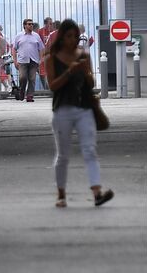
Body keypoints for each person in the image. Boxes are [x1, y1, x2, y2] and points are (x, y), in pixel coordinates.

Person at [44, 19, 112, 208]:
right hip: (62, 108)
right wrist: (69, 72)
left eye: (76, 36)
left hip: (84, 108)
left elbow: (90, 84)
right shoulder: (52, 58)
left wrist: (87, 73)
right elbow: (52, 86)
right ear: (62, 37)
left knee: (90, 150)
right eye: (69, 36)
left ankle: (97, 192)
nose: (73, 40)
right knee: (63, 154)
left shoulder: (84, 55)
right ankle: (61, 194)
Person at [12, 18, 44, 102]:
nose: (31, 25)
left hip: (34, 60)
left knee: (32, 78)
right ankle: (22, 92)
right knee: (23, 77)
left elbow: (41, 48)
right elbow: (14, 49)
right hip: (22, 61)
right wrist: (15, 60)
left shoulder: (36, 36)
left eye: (32, 24)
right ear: (24, 25)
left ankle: (30, 95)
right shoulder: (19, 36)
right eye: (29, 24)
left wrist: (41, 59)